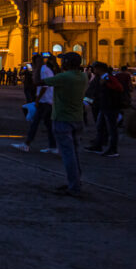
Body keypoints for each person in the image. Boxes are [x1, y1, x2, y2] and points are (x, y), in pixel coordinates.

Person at [38, 51, 88, 197]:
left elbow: (38, 82)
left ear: (67, 63)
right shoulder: (82, 76)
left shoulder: (63, 77)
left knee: (67, 155)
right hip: (77, 119)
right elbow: (62, 78)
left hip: (62, 119)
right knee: (75, 153)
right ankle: (76, 182)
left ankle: (74, 187)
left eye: (63, 61)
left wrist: (38, 67)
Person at [13, 58, 57, 154]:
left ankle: (27, 144)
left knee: (35, 123)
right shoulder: (46, 69)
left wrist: (37, 99)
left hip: (44, 101)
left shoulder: (43, 70)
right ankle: (53, 146)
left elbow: (44, 86)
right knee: (48, 124)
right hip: (49, 100)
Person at [85, 62, 123, 157]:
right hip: (103, 106)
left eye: (94, 68)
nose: (93, 70)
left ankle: (113, 150)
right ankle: (98, 146)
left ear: (99, 69)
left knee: (112, 128)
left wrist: (106, 84)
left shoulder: (107, 77)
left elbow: (119, 88)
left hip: (110, 107)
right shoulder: (101, 77)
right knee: (100, 126)